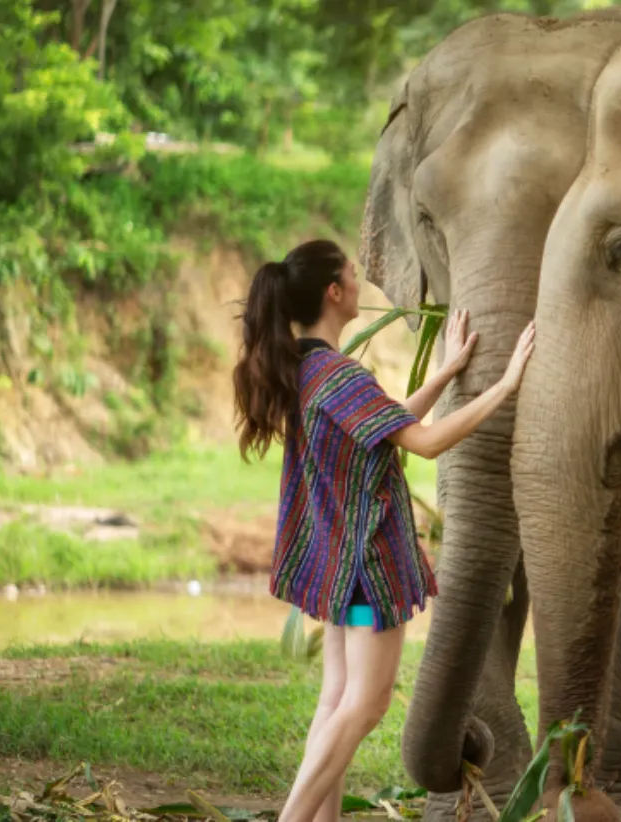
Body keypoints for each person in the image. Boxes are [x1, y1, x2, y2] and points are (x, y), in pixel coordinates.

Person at [231, 238, 534, 822]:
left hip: (341, 569)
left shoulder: (311, 370)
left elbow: (391, 423)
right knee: (366, 705)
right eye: (350, 268)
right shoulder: (337, 376)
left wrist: (447, 370)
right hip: (368, 575)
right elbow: (423, 442)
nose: (358, 274)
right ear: (334, 292)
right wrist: (505, 387)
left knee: (336, 701)